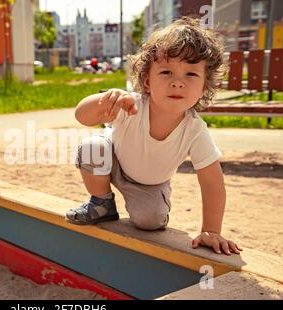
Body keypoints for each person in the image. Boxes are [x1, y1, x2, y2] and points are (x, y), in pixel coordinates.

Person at [65, 17, 242, 256]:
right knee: (92, 146)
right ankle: (101, 202)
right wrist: (106, 98)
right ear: (148, 81)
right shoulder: (131, 106)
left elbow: (212, 183)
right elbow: (81, 116)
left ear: (204, 87)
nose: (178, 82)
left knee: (149, 222)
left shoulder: (195, 130)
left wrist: (211, 230)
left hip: (150, 185)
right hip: (113, 164)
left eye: (191, 74)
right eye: (167, 71)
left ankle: (149, 206)